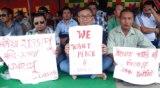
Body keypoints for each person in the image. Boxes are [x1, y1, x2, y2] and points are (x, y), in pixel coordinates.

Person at [60, 8, 113, 80]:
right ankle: (94, 74)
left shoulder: (99, 32)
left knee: (108, 60)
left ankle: (79, 73)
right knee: (62, 65)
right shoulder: (74, 32)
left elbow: (103, 52)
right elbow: (68, 54)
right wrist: (67, 51)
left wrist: (104, 51)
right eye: (82, 16)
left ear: (92, 18)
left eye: (88, 16)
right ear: (78, 19)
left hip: (94, 63)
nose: (85, 18)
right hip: (78, 64)